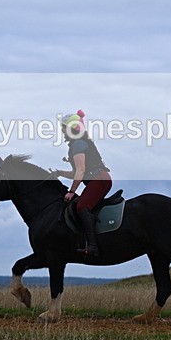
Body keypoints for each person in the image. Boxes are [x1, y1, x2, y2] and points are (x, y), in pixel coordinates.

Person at [55, 110, 112, 258]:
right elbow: (78, 172)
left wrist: (72, 191)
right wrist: (59, 173)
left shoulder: (78, 144)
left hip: (99, 180)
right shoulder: (79, 142)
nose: (61, 131)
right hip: (99, 179)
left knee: (82, 206)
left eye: (63, 127)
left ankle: (93, 247)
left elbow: (80, 170)